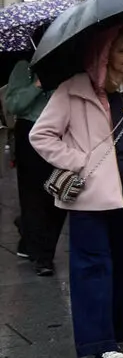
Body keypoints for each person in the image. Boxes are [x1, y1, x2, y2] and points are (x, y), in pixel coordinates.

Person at [28, 25, 123, 358]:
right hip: (89, 197)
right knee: (92, 268)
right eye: (122, 50)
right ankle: (100, 346)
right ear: (105, 53)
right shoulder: (74, 89)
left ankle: (113, 335)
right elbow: (41, 135)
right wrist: (80, 161)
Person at [6, 58, 66, 276]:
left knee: (59, 194)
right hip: (31, 133)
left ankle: (30, 232)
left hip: (62, 135)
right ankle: (43, 256)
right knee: (33, 196)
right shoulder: (24, 67)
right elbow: (13, 105)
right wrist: (38, 84)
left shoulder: (71, 65)